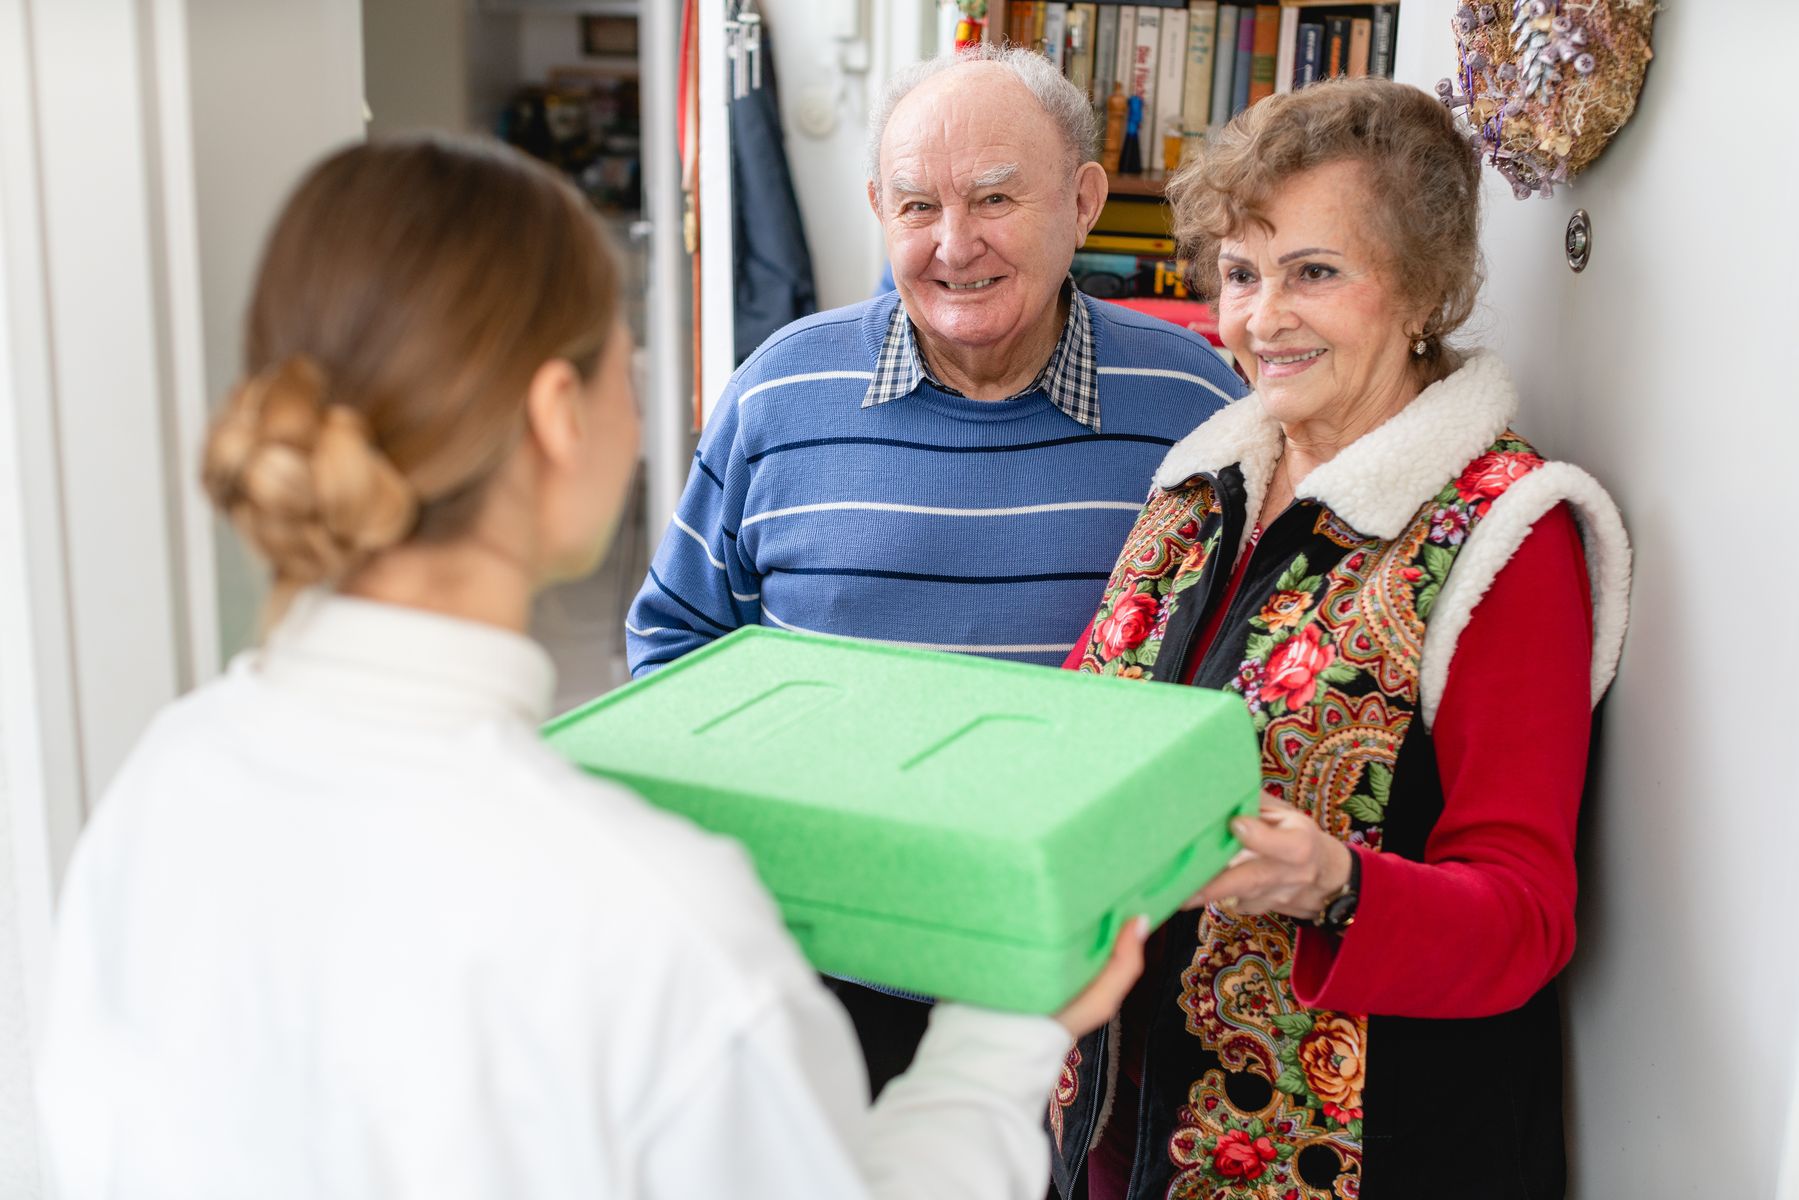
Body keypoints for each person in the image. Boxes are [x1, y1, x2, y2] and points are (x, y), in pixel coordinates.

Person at [33, 135, 1150, 1200]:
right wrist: (1010, 1026)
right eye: (624, 357)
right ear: (556, 414)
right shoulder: (652, 917)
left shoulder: (162, 780)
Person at [625, 42, 1244, 1095]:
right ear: (877, 207)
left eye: (995, 197)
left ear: (1083, 201)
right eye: (915, 206)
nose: (954, 245)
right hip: (819, 972)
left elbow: (1239, 677)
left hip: (1091, 983)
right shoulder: (776, 395)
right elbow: (671, 653)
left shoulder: (1201, 412)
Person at [1050, 79, 1631, 1199]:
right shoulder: (1200, 481)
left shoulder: (1505, 534)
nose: (1259, 318)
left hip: (1364, 1155)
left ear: (1422, 285)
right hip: (1121, 1129)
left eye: (1312, 271)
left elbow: (1525, 918)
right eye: (1237, 273)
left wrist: (1333, 884)